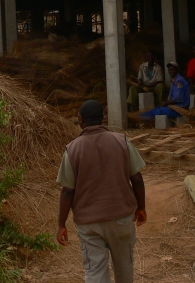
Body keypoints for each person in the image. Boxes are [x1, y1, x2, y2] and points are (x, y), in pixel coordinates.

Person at [57, 100, 146, 283]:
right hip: (121, 218)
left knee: (95, 272)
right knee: (125, 267)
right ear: (103, 118)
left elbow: (67, 191)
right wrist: (141, 207)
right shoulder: (122, 141)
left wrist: (61, 224)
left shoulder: (72, 149)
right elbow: (137, 178)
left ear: (80, 120)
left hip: (89, 223)